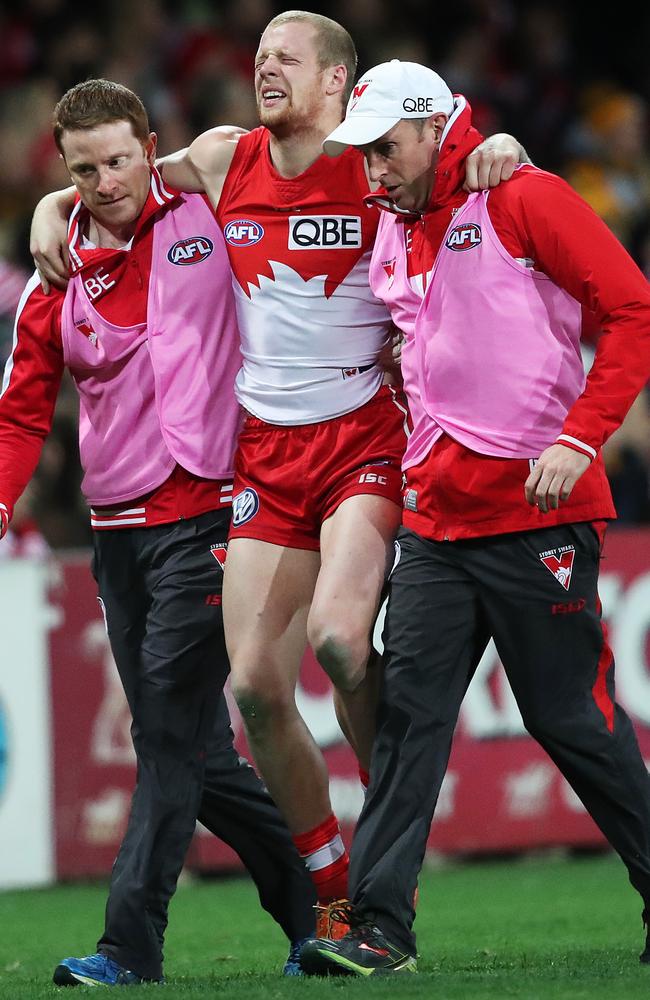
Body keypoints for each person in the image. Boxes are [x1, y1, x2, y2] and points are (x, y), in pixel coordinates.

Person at [30, 12, 526, 933]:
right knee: (256, 687)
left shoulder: (371, 160)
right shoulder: (225, 157)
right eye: (258, 55)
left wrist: (503, 142)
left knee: (340, 641)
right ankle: (334, 895)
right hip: (265, 452)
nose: (264, 68)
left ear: (340, 81)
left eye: (286, 59)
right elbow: (125, 180)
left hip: (363, 439)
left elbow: (464, 155)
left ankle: (392, 849)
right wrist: (51, 205)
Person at [299, 59, 650, 977]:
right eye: (362, 154)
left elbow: (632, 308)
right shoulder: (396, 216)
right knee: (408, 721)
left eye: (383, 149)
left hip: (538, 514)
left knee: (569, 718)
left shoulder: (523, 193)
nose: (369, 170)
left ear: (430, 129)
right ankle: (380, 930)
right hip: (437, 524)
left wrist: (582, 437)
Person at [0, 78, 318, 987]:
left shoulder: (214, 210)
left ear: (150, 146)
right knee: (197, 750)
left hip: (217, 514)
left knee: (170, 737)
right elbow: (20, 414)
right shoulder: (53, 277)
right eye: (82, 170)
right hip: (118, 531)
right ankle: (320, 910)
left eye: (117, 159)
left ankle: (127, 944)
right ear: (65, 172)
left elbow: (285, 157)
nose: (104, 182)